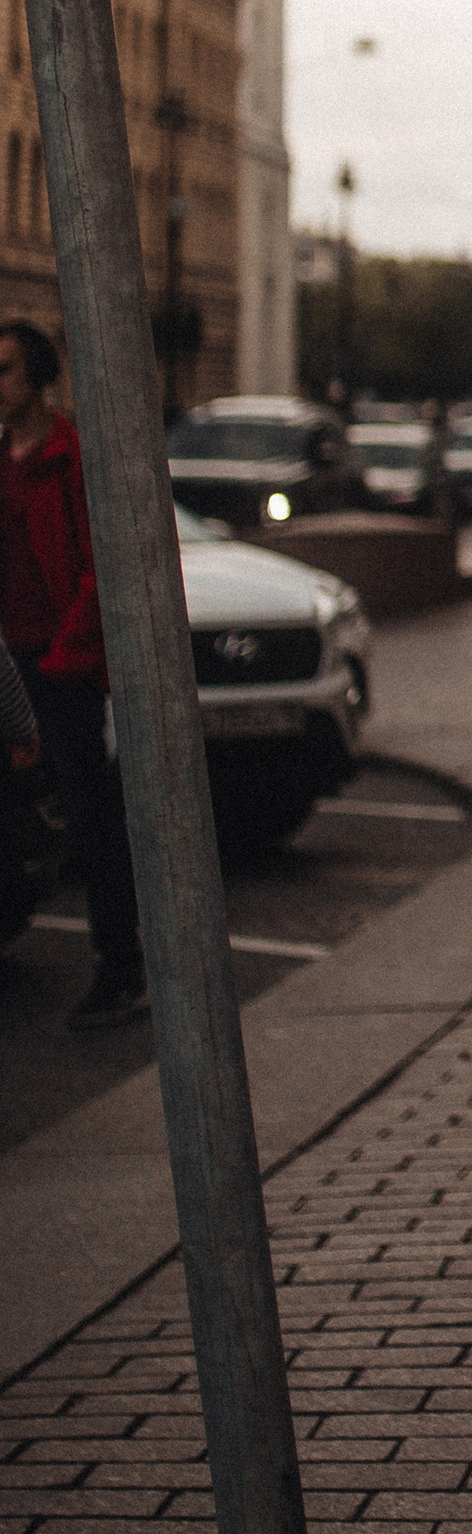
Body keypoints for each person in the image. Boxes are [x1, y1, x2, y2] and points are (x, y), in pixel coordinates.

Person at [0, 317, 144, 1030]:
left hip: (58, 667)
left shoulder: (70, 457)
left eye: (4, 370)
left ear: (38, 381)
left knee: (92, 822)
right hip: (7, 666)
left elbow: (99, 571)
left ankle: (122, 971)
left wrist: (62, 662)